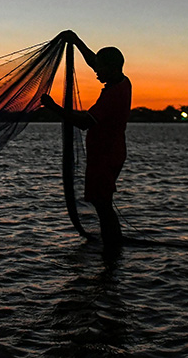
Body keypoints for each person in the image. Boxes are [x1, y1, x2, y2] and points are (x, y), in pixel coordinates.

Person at [41, 30, 131, 255]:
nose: (95, 72)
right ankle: (113, 252)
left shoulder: (113, 95)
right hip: (109, 152)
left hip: (106, 155)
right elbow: (94, 61)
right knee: (103, 204)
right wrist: (77, 41)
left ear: (110, 68)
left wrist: (54, 108)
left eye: (100, 68)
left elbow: (84, 123)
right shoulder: (121, 80)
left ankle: (112, 251)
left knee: (103, 205)